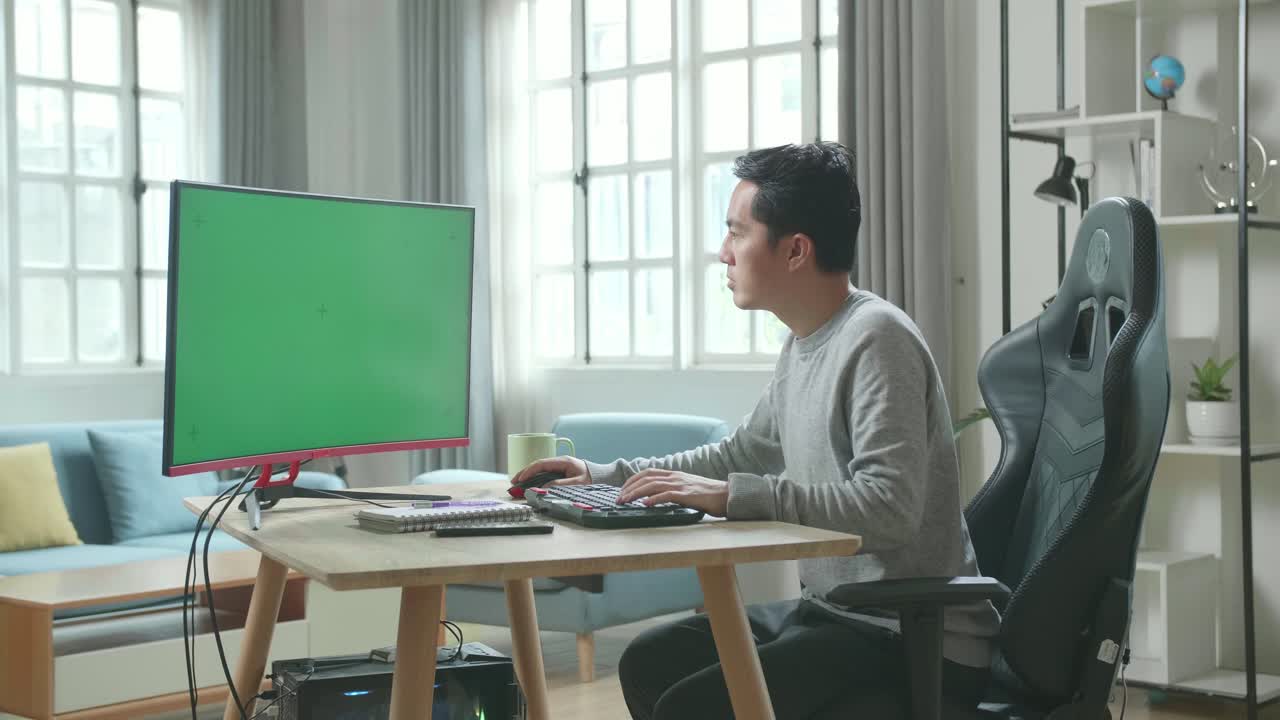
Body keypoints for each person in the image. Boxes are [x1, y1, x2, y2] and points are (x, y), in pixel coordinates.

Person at [511, 141, 999, 719]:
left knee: (693, 708)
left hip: (910, 637)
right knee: (650, 663)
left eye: (737, 233)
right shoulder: (803, 342)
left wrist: (734, 498)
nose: (723, 254)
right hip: (838, 614)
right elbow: (741, 453)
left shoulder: (877, 340)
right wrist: (600, 474)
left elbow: (888, 508)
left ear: (795, 250)